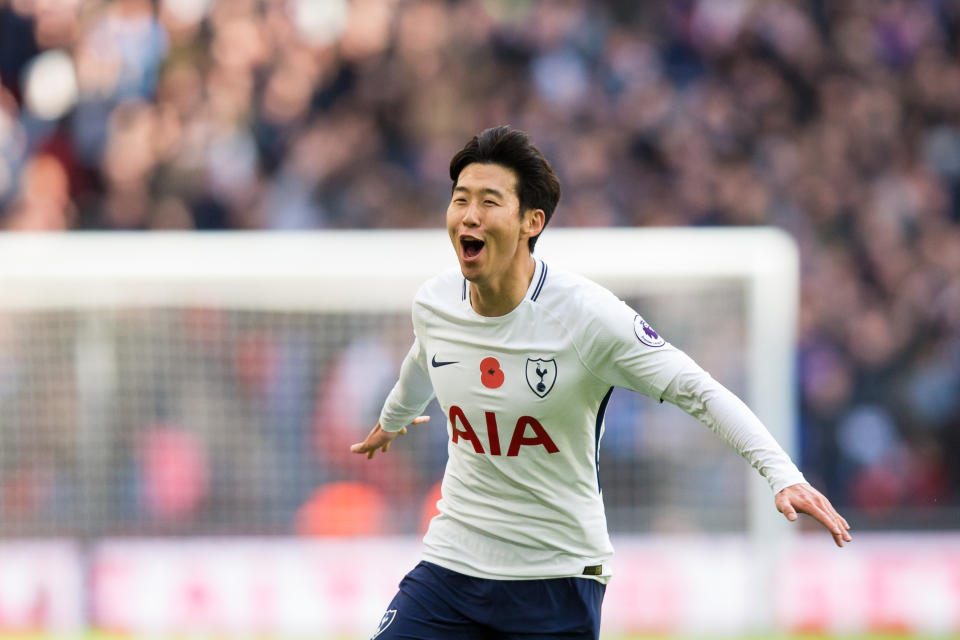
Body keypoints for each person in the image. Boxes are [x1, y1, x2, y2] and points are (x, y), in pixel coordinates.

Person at [350, 125, 851, 639]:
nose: (469, 216)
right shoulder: (435, 303)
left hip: (556, 579)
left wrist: (781, 473)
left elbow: (696, 389)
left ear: (531, 221)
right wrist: (391, 421)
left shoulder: (587, 318)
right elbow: (424, 359)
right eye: (460, 200)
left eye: (489, 201)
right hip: (451, 567)